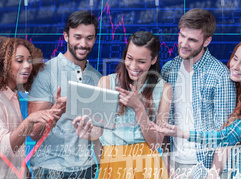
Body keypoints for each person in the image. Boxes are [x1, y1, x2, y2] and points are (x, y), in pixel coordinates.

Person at [152, 38, 241, 178]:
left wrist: (182, 133)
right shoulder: (228, 89)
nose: (235, 66)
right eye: (235, 59)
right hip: (236, 171)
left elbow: (228, 136)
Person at [72, 31, 172, 178]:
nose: (133, 66)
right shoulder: (106, 83)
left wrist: (139, 108)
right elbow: (97, 132)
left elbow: (156, 144)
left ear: (153, 59)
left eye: (141, 61)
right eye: (129, 58)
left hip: (147, 164)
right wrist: (87, 134)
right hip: (113, 162)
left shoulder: (164, 89)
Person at [0, 37, 64, 178]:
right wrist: (30, 120)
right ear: (4, 64)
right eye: (20, 60)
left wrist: (54, 113)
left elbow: (16, 145)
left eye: (29, 60)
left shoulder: (11, 95)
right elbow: (5, 148)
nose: (27, 65)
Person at [160, 8, 236, 178]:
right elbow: (164, 123)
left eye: (192, 40)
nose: (184, 43)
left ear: (207, 41)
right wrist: (165, 161)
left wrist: (213, 174)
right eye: (182, 35)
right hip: (173, 165)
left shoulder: (220, 75)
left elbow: (226, 134)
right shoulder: (168, 70)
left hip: (205, 166)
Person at [28, 10, 102, 178]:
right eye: (77, 37)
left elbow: (98, 134)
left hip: (86, 169)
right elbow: (33, 133)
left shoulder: (97, 78)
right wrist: (56, 110)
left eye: (89, 38)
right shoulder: (46, 72)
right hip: (49, 168)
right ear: (66, 36)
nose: (83, 44)